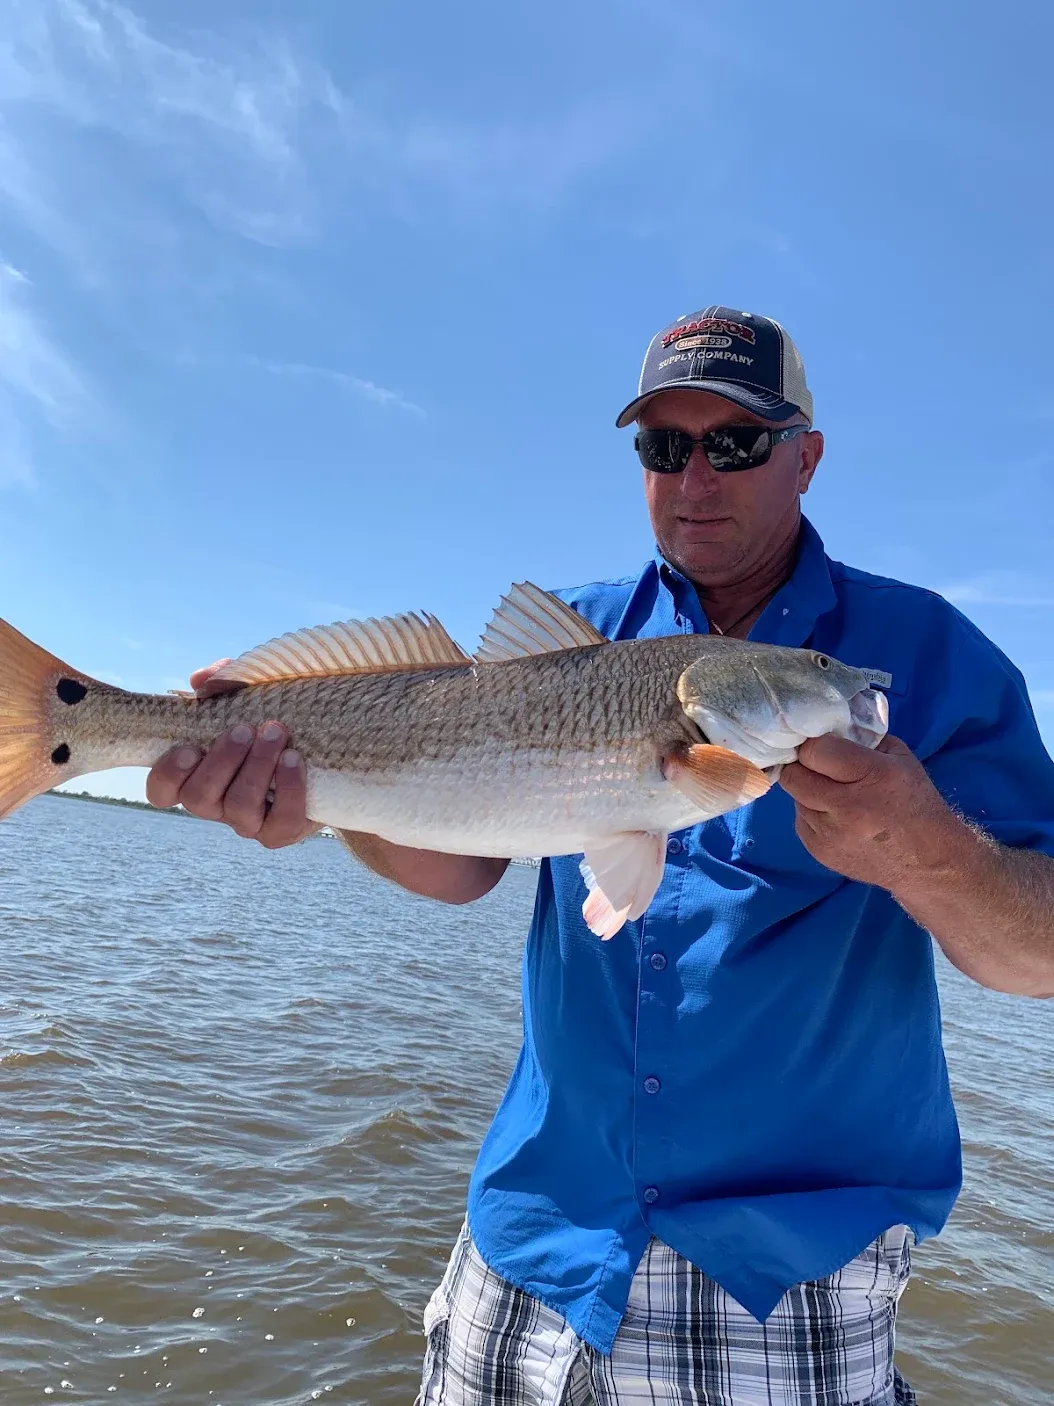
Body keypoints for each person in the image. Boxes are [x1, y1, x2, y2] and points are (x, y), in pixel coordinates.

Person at [147, 306, 1054, 1406]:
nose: (694, 477)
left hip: (778, 1265)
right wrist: (326, 806)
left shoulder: (928, 654)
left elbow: (1033, 955)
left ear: (806, 454)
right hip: (533, 1237)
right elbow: (460, 863)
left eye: (735, 443)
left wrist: (927, 853)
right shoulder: (567, 634)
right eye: (663, 447)